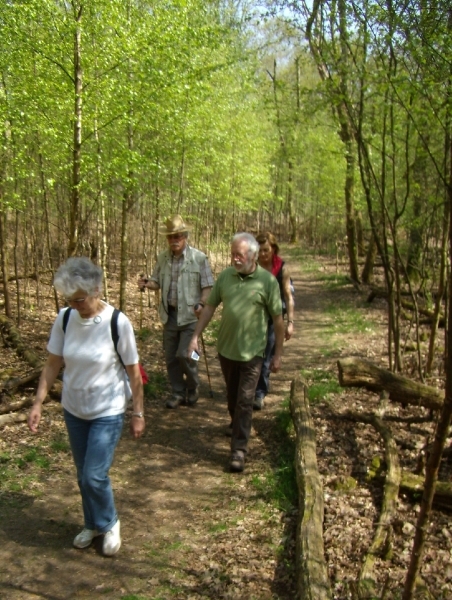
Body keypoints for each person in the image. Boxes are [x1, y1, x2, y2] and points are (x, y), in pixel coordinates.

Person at [28, 257, 144, 556]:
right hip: (74, 409)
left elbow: (133, 372)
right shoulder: (65, 319)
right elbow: (53, 363)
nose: (75, 305)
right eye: (70, 299)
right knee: (83, 476)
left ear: (96, 290)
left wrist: (138, 413)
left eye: (80, 299)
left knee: (94, 474)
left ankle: (110, 522)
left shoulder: (118, 322)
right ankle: (92, 524)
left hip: (108, 410)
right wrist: (38, 401)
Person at [187, 232, 284, 473]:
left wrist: (278, 354)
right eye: (232, 255)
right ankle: (236, 423)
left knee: (245, 400)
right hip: (226, 350)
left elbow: (278, 320)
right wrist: (195, 336)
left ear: (252, 256)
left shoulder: (267, 282)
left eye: (239, 255)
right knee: (232, 397)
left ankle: (238, 450)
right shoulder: (226, 277)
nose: (234, 259)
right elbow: (210, 307)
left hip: (254, 354)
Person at [138, 215, 214, 409]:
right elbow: (157, 281)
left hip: (190, 316)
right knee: (171, 357)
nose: (174, 240)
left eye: (178, 236)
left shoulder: (199, 258)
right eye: (171, 237)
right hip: (169, 314)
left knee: (186, 354)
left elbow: (207, 286)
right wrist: (147, 283)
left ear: (185, 236)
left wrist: (202, 303)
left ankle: (194, 385)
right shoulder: (162, 258)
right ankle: (178, 392)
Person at [253, 232, 295, 410]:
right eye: (259, 250)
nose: (263, 254)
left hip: (274, 317)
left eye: (266, 250)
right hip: (255, 316)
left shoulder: (282, 268)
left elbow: (288, 295)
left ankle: (259, 393)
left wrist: (290, 322)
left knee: (266, 353)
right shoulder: (252, 266)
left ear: (273, 249)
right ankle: (249, 387)